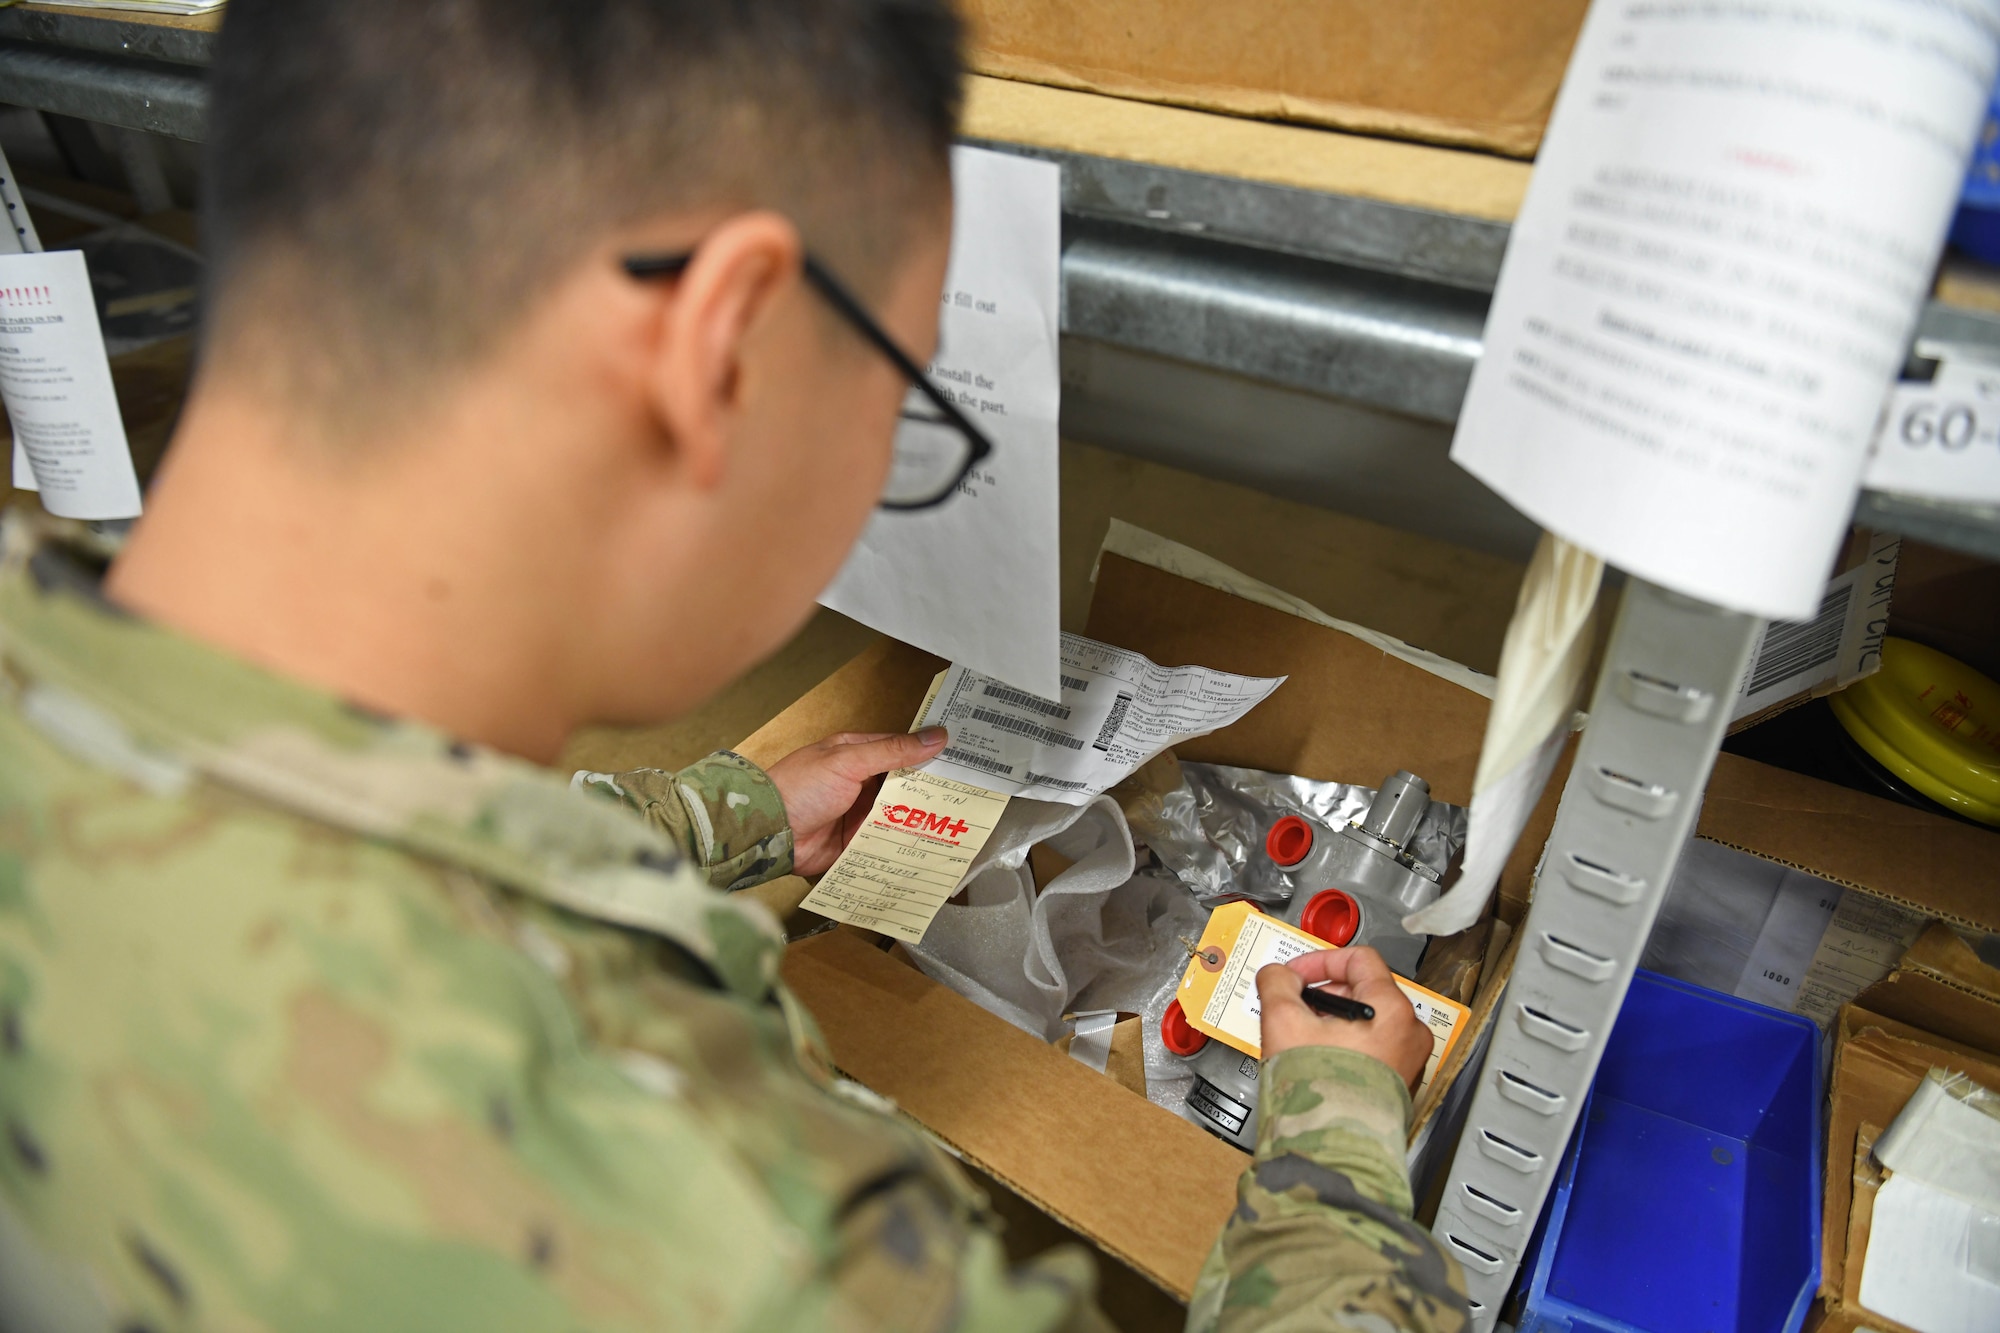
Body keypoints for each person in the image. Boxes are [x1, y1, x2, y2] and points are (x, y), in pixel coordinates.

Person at [0, 0, 1469, 1329]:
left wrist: (731, 813)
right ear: (721, 349)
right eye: (902, 409)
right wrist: (1335, 1135)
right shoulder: (745, 1243)